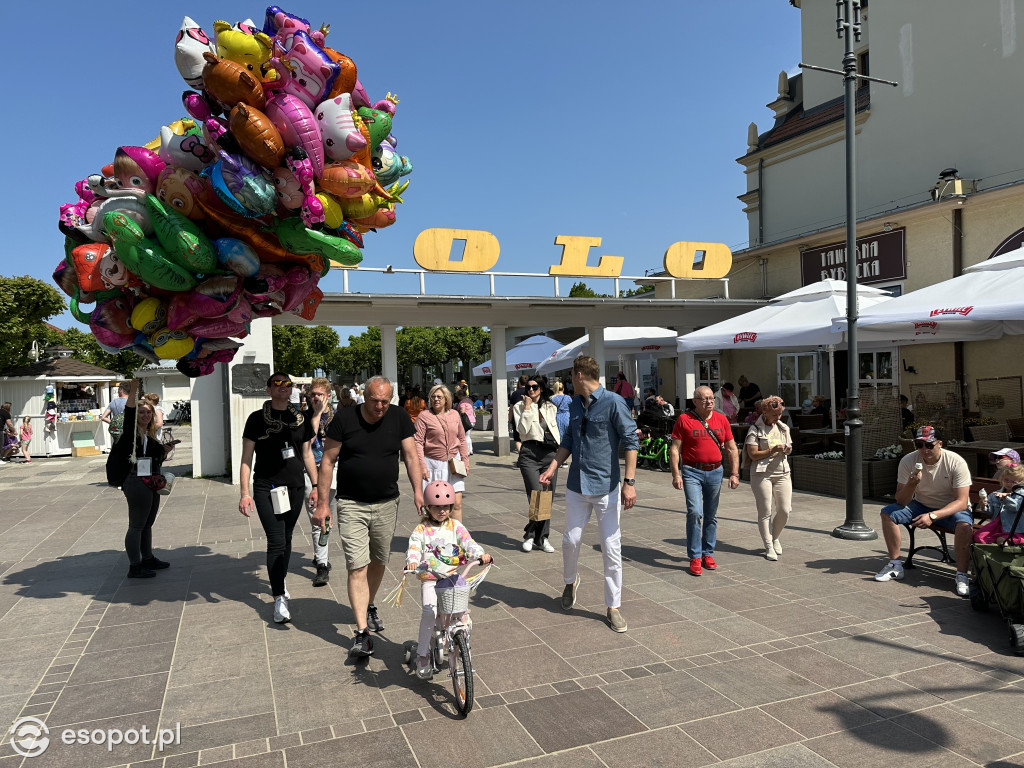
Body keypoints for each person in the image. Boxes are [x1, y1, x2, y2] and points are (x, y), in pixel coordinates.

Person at [313, 376, 424, 658]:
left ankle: (369, 603)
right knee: (357, 565)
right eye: (374, 400)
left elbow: (411, 456)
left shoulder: (398, 417)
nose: (379, 406)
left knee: (379, 561)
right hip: (351, 504)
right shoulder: (345, 419)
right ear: (365, 396)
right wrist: (323, 504)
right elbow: (327, 461)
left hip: (387, 502)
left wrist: (418, 492)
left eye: (385, 401)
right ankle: (362, 633)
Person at [539, 356, 638, 633]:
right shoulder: (572, 403)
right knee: (570, 540)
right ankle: (570, 582)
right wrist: (552, 467)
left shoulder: (614, 402)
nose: (570, 379)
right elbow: (569, 440)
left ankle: (613, 606)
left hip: (606, 485)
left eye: (571, 374)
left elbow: (631, 441)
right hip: (576, 484)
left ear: (580, 375)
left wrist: (629, 482)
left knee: (611, 546)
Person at [239, 373, 318, 624]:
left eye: (287, 384)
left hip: (294, 486)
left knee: (286, 538)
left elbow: (307, 455)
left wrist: (315, 486)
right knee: (275, 540)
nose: (283, 388)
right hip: (266, 486)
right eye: (278, 384)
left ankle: (279, 580)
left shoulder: (300, 418)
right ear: (269, 389)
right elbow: (246, 458)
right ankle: (279, 597)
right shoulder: (256, 419)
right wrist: (244, 493)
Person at [405, 480, 492, 679]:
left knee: (462, 614)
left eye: (446, 507)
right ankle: (423, 655)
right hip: (430, 578)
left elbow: (468, 542)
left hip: (452, 578)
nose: (442, 511)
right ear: (428, 507)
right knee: (429, 612)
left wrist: (480, 554)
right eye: (437, 507)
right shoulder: (421, 530)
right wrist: (412, 561)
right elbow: (414, 547)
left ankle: (462, 645)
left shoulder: (455, 526)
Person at [874, 426, 974, 596]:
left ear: (940, 444)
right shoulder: (908, 461)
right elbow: (901, 500)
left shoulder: (955, 461)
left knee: (964, 525)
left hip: (950, 508)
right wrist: (912, 484)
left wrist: (933, 516)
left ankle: (961, 575)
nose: (924, 450)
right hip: (921, 504)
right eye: (919, 444)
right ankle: (895, 565)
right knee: (888, 513)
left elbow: (962, 502)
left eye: (929, 445)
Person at [669, 386, 741, 576]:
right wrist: (676, 474)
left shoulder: (721, 419)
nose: (709, 402)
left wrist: (734, 473)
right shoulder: (685, 419)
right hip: (692, 471)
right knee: (694, 512)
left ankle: (707, 553)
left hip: (715, 471)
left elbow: (732, 448)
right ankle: (694, 556)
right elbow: (675, 449)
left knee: (711, 515)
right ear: (695, 401)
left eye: (711, 399)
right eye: (704, 399)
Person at [115, 379, 176, 578]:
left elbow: (155, 458)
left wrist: (164, 451)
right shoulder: (131, 433)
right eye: (142, 412)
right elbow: (130, 410)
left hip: (150, 480)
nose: (145, 415)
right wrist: (133, 387)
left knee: (147, 523)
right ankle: (135, 566)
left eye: (149, 412)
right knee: (137, 525)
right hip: (136, 480)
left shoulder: (149, 436)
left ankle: (147, 558)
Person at [514, 375, 560, 552]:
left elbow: (554, 428)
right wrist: (527, 408)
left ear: (541, 388)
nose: (530, 390)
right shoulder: (519, 406)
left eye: (534, 387)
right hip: (529, 454)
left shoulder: (550, 406)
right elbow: (522, 431)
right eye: (528, 387)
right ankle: (531, 536)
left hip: (549, 453)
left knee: (547, 497)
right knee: (536, 495)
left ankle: (541, 538)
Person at [743, 397, 793, 561]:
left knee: (785, 510)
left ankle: (775, 536)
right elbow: (753, 454)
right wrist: (773, 450)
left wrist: (787, 449)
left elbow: (790, 448)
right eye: (775, 415)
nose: (778, 418)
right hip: (761, 474)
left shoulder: (783, 427)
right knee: (765, 511)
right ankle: (769, 546)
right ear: (764, 411)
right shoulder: (755, 429)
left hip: (782, 472)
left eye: (780, 414)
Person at [414, 384, 470, 522]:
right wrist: (422, 466)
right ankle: (434, 537)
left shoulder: (455, 415)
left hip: (454, 464)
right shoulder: (424, 416)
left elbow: (462, 439)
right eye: (433, 397)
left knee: (456, 504)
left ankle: (456, 537)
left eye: (439, 397)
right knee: (434, 506)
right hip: (433, 464)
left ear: (446, 399)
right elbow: (418, 442)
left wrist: (465, 461)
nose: (436, 399)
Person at [303, 377, 336, 587]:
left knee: (329, 517)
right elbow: (308, 442)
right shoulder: (303, 417)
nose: (316, 397)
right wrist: (315, 415)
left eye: (320, 394)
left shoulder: (338, 418)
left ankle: (320, 554)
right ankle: (322, 564)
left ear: (328, 396)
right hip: (311, 470)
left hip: (333, 470)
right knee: (317, 516)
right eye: (313, 394)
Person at [974, 462, 1024, 545]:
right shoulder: (995, 494)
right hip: (998, 527)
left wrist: (1005, 498)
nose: (1009, 483)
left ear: (1021, 482)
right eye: (1006, 480)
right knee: (979, 536)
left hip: (1016, 529)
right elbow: (990, 511)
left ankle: (1009, 552)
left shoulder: (1021, 494)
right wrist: (984, 505)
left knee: (1002, 541)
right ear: (1002, 479)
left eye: (1013, 482)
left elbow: (1016, 507)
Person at [508, 374, 530, 455]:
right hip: (528, 418)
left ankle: (521, 456)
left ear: (519, 383)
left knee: (518, 439)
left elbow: (511, 409)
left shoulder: (514, 394)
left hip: (517, 419)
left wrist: (509, 421)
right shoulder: (530, 392)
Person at [455, 390, 476, 455]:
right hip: (472, 420)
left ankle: (467, 451)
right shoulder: (470, 400)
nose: (458, 398)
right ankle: (471, 450)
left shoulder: (462, 402)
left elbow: (463, 411)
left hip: (466, 421)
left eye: (458, 396)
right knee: (468, 436)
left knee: (465, 436)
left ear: (461, 396)